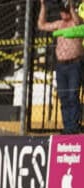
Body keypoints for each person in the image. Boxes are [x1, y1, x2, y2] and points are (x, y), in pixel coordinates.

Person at [38, 0, 83, 134]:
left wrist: (71, 7)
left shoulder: (76, 22)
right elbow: (41, 25)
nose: (63, 13)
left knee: (73, 95)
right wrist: (43, 7)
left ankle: (74, 126)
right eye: (62, 11)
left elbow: (78, 21)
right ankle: (67, 126)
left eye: (65, 10)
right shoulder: (60, 24)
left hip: (74, 64)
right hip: (61, 65)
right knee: (63, 96)